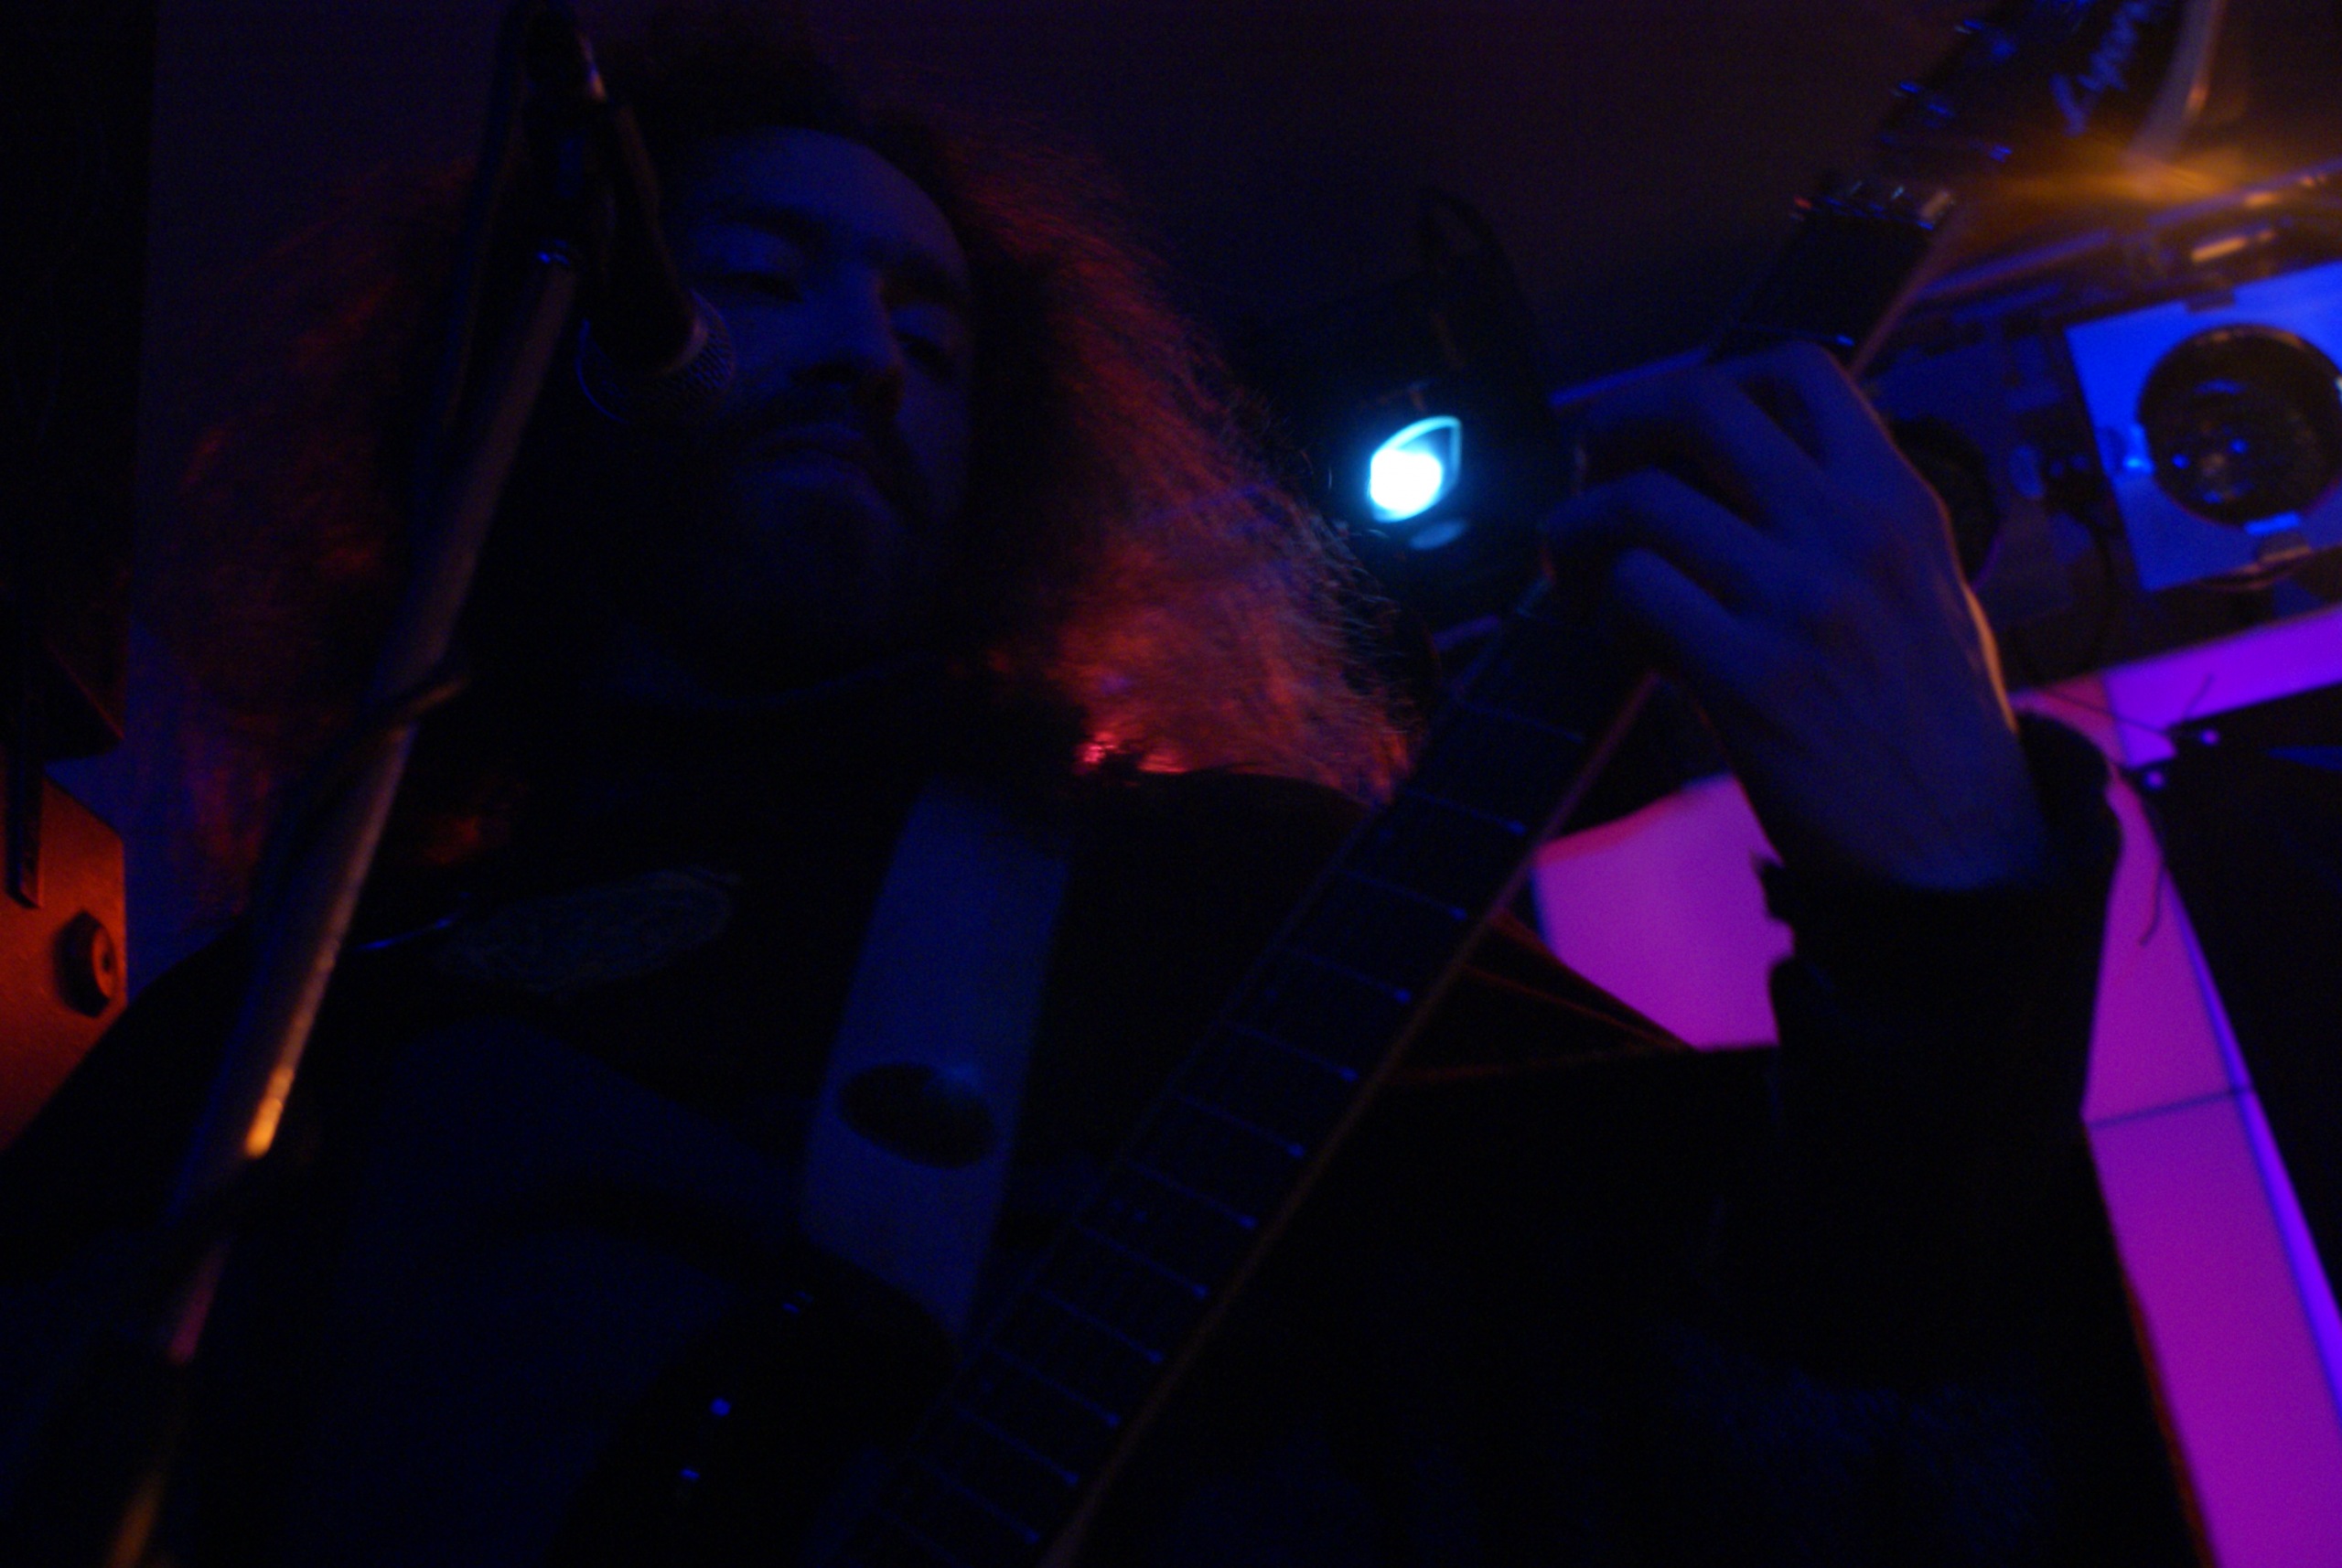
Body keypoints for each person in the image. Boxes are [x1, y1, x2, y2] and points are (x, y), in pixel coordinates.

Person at [0, 5, 2192, 1563]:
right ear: (530, 364)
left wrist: (1948, 922)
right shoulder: (289, 1013)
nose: (862, 353)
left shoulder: (1213, 895)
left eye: (932, 333)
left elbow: (1777, 1387)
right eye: (750, 279)